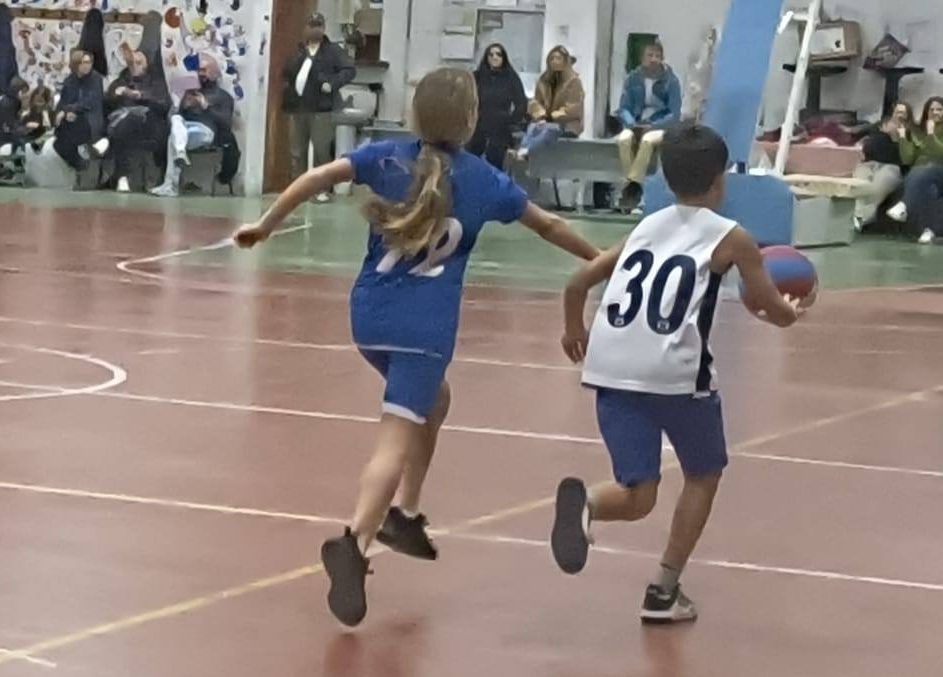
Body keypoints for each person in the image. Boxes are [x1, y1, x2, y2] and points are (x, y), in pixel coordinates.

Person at [233, 67, 598, 627]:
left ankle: (405, 512)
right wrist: (601, 261)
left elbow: (318, 177)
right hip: (424, 331)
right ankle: (356, 539)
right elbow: (548, 225)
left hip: (368, 316)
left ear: (414, 114)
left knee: (436, 400)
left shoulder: (386, 158)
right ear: (472, 121)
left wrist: (265, 224)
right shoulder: (484, 180)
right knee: (396, 436)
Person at [550, 123, 808, 624]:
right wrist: (793, 310)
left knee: (638, 493)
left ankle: (587, 504)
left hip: (610, 366)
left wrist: (572, 329)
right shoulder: (733, 238)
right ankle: (664, 590)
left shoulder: (646, 227)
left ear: (666, 180)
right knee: (704, 473)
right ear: (720, 181)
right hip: (674, 372)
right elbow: (770, 307)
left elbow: (578, 282)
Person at [280, 12, 350, 197]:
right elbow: (287, 72)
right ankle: (298, 189)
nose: (314, 30)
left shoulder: (332, 51)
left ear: (324, 28)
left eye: (318, 26)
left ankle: (322, 189)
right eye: (311, 26)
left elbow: (349, 70)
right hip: (298, 107)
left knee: (321, 150)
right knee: (297, 151)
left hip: (321, 109)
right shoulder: (299, 51)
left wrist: (332, 83)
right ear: (305, 28)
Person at [154, 57, 239, 197]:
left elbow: (225, 123)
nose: (200, 74)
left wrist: (205, 106)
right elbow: (177, 116)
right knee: (176, 120)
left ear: (214, 73)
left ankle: (171, 185)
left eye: (204, 70)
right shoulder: (191, 92)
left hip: (206, 131)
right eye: (199, 70)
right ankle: (180, 153)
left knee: (173, 139)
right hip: (185, 129)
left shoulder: (224, 97)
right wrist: (184, 106)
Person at [614, 41, 682, 208]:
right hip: (635, 124)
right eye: (650, 55)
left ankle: (632, 187)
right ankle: (634, 186)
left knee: (647, 141)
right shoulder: (632, 79)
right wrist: (631, 124)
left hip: (659, 126)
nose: (653, 59)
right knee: (623, 139)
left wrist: (652, 126)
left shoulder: (671, 81)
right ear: (642, 58)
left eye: (657, 56)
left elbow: (674, 114)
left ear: (662, 59)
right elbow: (623, 108)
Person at [887, 95, 943, 243]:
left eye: (939, 109)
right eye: (931, 110)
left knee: (926, 169)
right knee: (927, 186)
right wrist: (903, 139)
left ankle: (904, 205)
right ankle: (928, 230)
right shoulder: (918, 132)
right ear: (926, 112)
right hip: (921, 175)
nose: (935, 112)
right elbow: (908, 159)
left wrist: (931, 135)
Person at [104, 46, 170, 192]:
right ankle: (122, 175)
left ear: (146, 64)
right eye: (132, 63)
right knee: (125, 123)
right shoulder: (121, 80)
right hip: (124, 126)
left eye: (139, 63)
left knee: (133, 119)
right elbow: (107, 102)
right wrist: (116, 95)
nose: (135, 66)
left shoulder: (157, 82)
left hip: (150, 124)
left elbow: (164, 104)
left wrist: (140, 96)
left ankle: (125, 175)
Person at [518, 45, 586, 161]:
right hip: (545, 120)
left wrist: (551, 117)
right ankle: (523, 149)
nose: (554, 61)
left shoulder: (574, 82)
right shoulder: (543, 80)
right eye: (552, 58)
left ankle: (528, 151)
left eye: (558, 58)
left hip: (567, 124)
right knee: (533, 127)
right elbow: (536, 102)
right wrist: (541, 115)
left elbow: (573, 108)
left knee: (550, 130)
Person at [852, 101, 912, 231]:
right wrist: (884, 134)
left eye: (903, 113)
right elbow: (869, 147)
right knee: (859, 185)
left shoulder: (909, 133)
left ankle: (860, 217)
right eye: (898, 112)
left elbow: (904, 158)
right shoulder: (880, 126)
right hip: (868, 164)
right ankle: (857, 217)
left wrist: (896, 137)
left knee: (877, 187)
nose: (900, 115)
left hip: (891, 167)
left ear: (908, 116)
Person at [468, 43, 528, 163]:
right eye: (491, 55)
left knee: (495, 160)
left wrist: (512, 121)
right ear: (486, 58)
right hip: (478, 125)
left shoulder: (511, 77)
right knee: (472, 159)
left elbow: (521, 102)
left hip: (501, 126)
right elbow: (466, 99)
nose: (494, 57)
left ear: (503, 58)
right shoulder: (477, 76)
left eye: (498, 54)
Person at [52, 49, 108, 171]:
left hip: (90, 119)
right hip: (73, 119)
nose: (87, 65)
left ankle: (82, 165)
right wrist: (63, 113)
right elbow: (63, 102)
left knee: (67, 136)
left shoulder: (96, 79)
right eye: (84, 62)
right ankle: (79, 164)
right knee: (59, 144)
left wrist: (68, 111)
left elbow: (90, 102)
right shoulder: (70, 81)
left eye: (89, 62)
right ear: (76, 64)